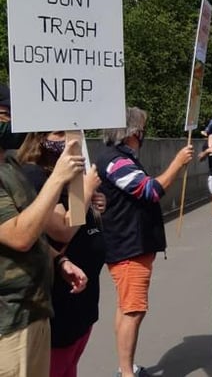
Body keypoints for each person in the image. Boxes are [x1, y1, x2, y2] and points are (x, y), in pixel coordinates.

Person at [96, 107, 194, 377]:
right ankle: (127, 372)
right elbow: (149, 190)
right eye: (141, 129)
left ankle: (126, 366)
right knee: (133, 310)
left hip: (129, 244)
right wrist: (177, 163)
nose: (143, 134)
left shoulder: (119, 158)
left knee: (127, 307)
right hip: (128, 245)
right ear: (132, 132)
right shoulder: (116, 161)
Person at [0, 85, 89, 377]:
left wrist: (58, 260)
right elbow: (19, 235)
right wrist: (59, 179)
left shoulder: (10, 166)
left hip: (34, 311)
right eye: (4, 115)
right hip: (8, 323)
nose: (12, 124)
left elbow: (32, 226)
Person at [16, 131, 107, 377]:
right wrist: (86, 192)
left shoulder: (69, 179)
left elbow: (79, 217)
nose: (70, 140)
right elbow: (62, 231)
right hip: (59, 310)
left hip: (81, 309)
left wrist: (94, 203)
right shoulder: (34, 175)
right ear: (39, 138)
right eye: (60, 134)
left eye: (74, 134)